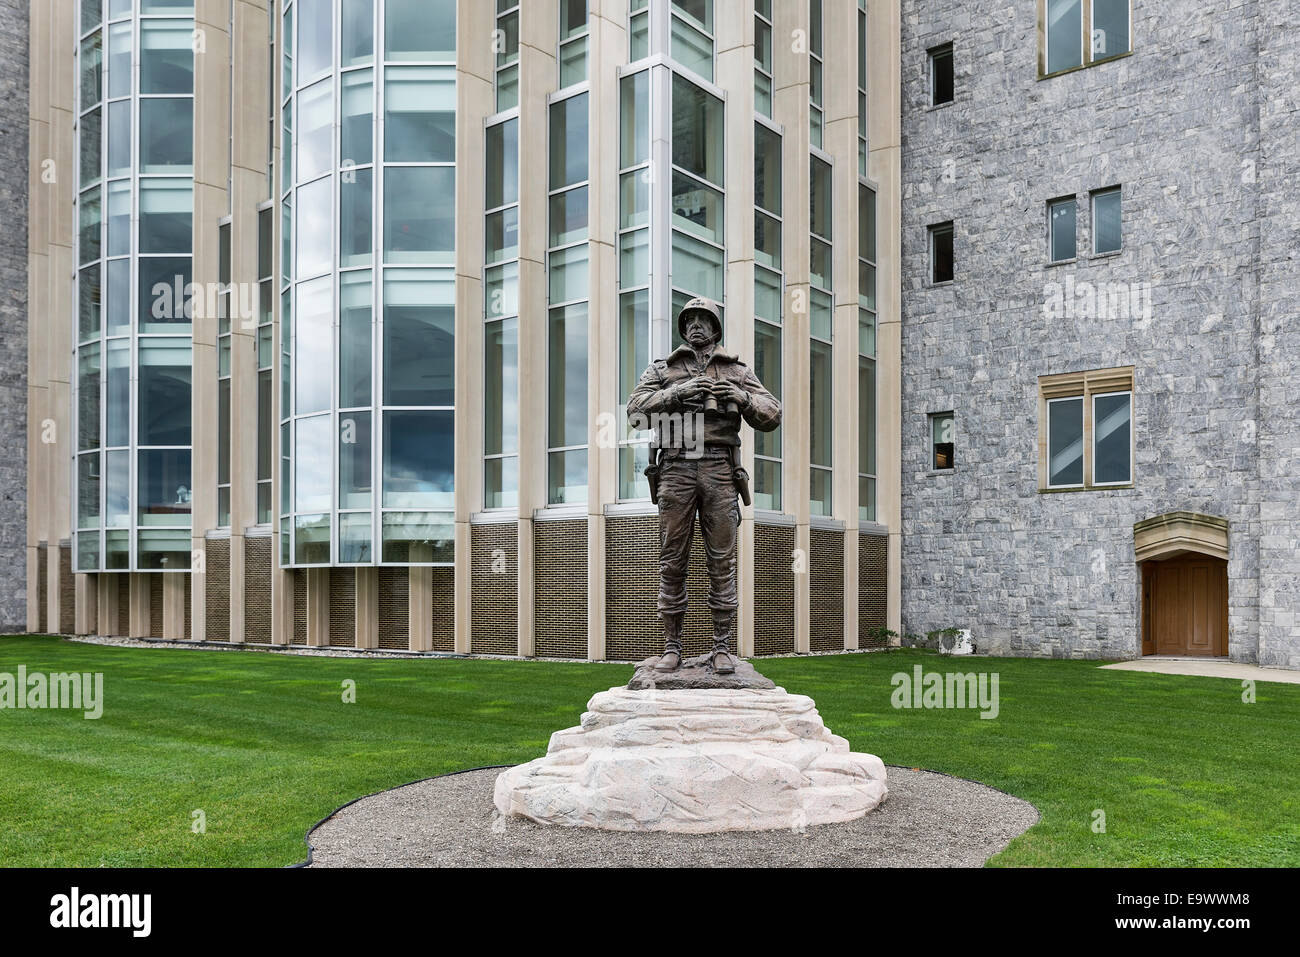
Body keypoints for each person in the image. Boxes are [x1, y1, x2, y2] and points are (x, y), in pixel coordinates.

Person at [626, 297, 782, 673]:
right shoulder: (663, 368)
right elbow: (635, 411)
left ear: (716, 327)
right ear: (683, 328)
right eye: (690, 319)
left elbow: (773, 413)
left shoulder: (737, 370)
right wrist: (677, 393)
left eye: (704, 319)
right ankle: (672, 646)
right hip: (676, 467)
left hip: (719, 469)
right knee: (672, 561)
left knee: (721, 562)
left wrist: (742, 398)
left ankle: (722, 647)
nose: (696, 324)